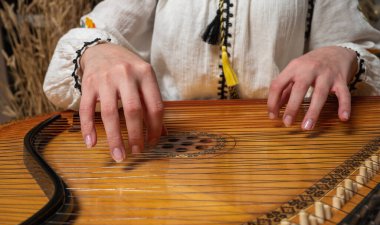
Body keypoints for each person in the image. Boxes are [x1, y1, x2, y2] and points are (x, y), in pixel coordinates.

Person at [43, 0, 380, 162]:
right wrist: (96, 52)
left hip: (285, 152)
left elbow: (362, 53)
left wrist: (342, 56)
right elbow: (92, 35)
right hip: (168, 148)